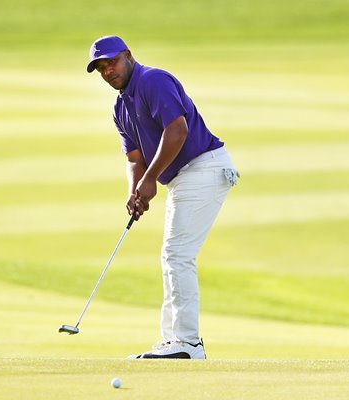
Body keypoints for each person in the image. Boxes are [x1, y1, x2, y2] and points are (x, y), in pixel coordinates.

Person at [87, 35, 239, 359]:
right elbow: (133, 157)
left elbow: (177, 130)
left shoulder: (153, 80)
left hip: (204, 168)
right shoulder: (119, 107)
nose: (108, 71)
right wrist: (136, 189)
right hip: (184, 177)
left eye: (111, 62)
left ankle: (188, 344)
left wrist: (150, 179)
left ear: (128, 55)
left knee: (177, 254)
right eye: (100, 68)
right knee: (171, 255)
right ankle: (173, 341)